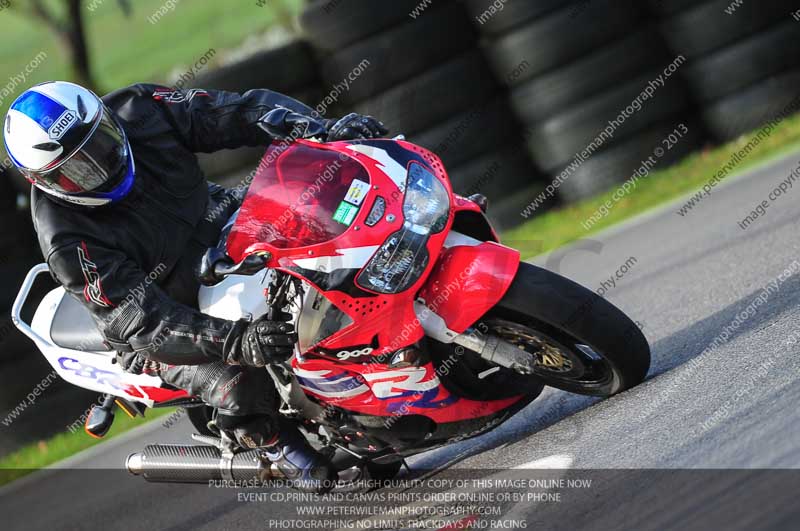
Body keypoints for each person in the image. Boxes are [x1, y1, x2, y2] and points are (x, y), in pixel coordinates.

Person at [2, 80, 388, 492]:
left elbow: (233, 110)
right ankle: (273, 443)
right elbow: (141, 320)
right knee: (240, 385)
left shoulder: (141, 108)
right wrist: (237, 342)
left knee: (335, 233)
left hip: (221, 222)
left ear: (109, 119)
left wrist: (315, 126)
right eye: (79, 170)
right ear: (42, 181)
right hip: (165, 309)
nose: (101, 166)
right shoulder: (68, 241)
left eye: (103, 143)